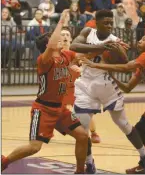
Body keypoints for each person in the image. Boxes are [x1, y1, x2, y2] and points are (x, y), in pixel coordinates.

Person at [70, 9, 145, 174]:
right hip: (86, 84)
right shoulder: (88, 32)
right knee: (82, 130)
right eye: (106, 23)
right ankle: (89, 164)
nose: (110, 25)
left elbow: (124, 63)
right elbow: (74, 46)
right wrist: (102, 47)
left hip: (106, 85)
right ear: (97, 23)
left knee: (123, 124)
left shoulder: (115, 40)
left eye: (111, 23)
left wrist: (117, 50)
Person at [1, 12, 88, 174]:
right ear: (49, 45)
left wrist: (105, 43)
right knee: (34, 147)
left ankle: (80, 171)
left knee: (83, 136)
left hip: (59, 109)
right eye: (56, 39)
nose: (61, 40)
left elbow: (84, 54)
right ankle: (4, 161)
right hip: (43, 110)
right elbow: (51, 46)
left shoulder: (65, 55)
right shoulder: (44, 60)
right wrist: (61, 22)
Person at [82, 34, 145, 174]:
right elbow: (128, 88)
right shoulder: (143, 65)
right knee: (139, 130)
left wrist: (95, 65)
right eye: (140, 39)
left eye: (143, 39)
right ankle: (144, 165)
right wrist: (112, 76)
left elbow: (127, 67)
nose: (140, 41)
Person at [60, 27, 101, 144]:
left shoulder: (75, 54)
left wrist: (81, 69)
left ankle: (93, 132)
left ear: (71, 39)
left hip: (76, 87)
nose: (65, 37)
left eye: (67, 35)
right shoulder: (56, 54)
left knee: (84, 111)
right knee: (54, 110)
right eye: (62, 35)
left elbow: (87, 65)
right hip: (62, 89)